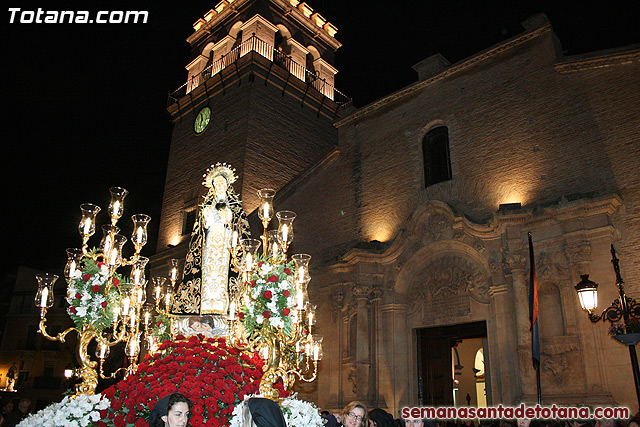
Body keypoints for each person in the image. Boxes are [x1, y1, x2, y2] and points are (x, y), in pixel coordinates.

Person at [172, 163, 249, 318]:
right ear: (213, 186)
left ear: (227, 185)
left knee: (224, 271)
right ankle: (205, 305)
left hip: (227, 243)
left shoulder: (235, 206)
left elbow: (242, 227)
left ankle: (225, 306)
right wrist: (206, 218)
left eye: (221, 183)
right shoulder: (207, 205)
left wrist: (228, 218)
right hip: (210, 242)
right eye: (216, 183)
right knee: (208, 270)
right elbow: (201, 229)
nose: (219, 185)